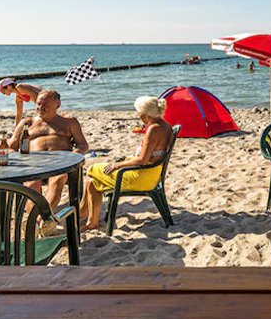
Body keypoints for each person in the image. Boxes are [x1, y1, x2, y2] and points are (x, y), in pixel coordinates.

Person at [79, 96, 173, 231]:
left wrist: (118, 165)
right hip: (152, 173)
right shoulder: (165, 126)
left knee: (92, 170)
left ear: (145, 115)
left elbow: (142, 160)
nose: (138, 116)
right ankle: (91, 221)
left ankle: (83, 211)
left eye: (139, 113)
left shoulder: (153, 129)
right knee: (91, 182)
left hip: (142, 177)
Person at [9, 89, 88, 212]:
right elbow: (11, 146)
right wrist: (18, 157)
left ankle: (41, 218)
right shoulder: (28, 122)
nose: (40, 107)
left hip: (60, 164)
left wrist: (73, 156)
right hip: (34, 164)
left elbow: (83, 145)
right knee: (32, 184)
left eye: (45, 105)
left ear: (58, 105)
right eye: (38, 104)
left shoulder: (69, 122)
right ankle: (40, 219)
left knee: (56, 181)